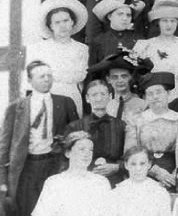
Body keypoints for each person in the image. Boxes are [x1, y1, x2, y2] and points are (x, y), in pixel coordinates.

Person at [0, 61, 80, 216]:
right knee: (28, 208)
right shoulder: (16, 107)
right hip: (27, 167)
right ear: (30, 80)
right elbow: (3, 147)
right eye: (41, 76)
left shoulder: (65, 103)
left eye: (49, 76)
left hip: (55, 165)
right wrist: (2, 179)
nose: (46, 79)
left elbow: (75, 135)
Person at [124, 72, 178, 191]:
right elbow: (130, 152)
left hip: (174, 176)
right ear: (145, 97)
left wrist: (173, 176)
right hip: (143, 172)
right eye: (150, 94)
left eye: (159, 92)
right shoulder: (135, 121)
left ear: (168, 93)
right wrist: (156, 172)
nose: (155, 97)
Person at [27, 0, 89, 116]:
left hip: (72, 97)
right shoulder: (40, 48)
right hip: (47, 97)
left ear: (72, 22)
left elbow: (80, 76)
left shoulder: (82, 49)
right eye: (57, 22)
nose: (62, 26)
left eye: (66, 21)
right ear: (50, 25)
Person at [31, 131, 112, 216]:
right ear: (68, 153)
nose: (87, 153)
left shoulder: (101, 182)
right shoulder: (54, 182)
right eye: (82, 149)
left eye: (90, 150)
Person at [64, 80, 128, 186]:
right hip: (82, 181)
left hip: (114, 180)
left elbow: (129, 155)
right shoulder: (75, 126)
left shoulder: (121, 126)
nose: (99, 98)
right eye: (94, 95)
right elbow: (65, 159)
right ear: (87, 98)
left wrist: (117, 167)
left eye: (103, 94)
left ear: (110, 96)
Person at [133, 0, 178, 81]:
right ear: (158, 22)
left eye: (173, 21)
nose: (169, 25)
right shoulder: (145, 45)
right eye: (165, 21)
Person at [86, 49, 153, 120]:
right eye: (115, 77)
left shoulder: (143, 105)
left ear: (131, 77)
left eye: (124, 76)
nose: (120, 80)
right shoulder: (105, 105)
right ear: (108, 79)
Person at [87, 0, 144, 66]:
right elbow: (92, 69)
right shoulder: (98, 41)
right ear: (110, 16)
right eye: (120, 14)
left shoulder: (139, 40)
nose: (125, 18)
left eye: (128, 15)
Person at [110, 146, 172, 216]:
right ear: (126, 165)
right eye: (133, 164)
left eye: (142, 164)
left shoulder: (159, 192)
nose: (138, 169)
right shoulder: (117, 193)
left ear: (149, 164)